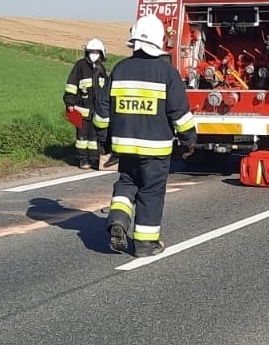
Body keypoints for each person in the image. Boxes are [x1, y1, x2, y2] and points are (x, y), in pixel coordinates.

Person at [93, 15, 196, 259]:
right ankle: (145, 245)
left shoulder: (120, 68)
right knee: (150, 193)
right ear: (159, 41)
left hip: (124, 146)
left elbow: (102, 109)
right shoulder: (167, 73)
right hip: (155, 150)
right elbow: (179, 113)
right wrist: (188, 139)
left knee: (127, 182)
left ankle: (118, 218)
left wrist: (104, 140)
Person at [63, 38, 112, 170]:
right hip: (81, 109)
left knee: (95, 137)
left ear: (101, 54)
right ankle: (82, 159)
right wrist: (69, 102)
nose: (94, 54)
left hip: (96, 110)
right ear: (87, 52)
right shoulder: (80, 66)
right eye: (92, 52)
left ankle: (94, 159)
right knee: (82, 137)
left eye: (97, 52)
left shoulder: (101, 68)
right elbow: (71, 85)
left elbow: (106, 89)